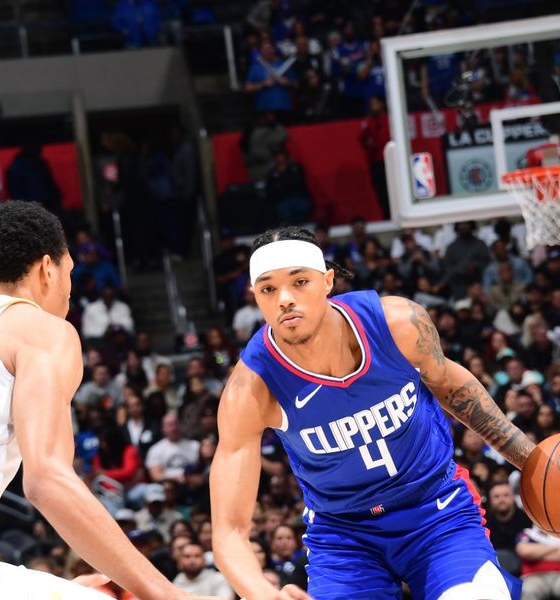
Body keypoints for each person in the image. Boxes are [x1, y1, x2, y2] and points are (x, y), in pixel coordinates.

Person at [0, 201, 216, 599]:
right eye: (70, 273)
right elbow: (46, 480)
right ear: (46, 269)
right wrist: (165, 593)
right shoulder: (39, 328)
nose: (69, 289)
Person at [211, 225, 536, 599]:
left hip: (434, 510)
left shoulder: (398, 324)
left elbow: (449, 384)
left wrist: (530, 459)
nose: (284, 298)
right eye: (268, 289)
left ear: (327, 281)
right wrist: (264, 596)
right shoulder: (251, 388)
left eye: (299, 281)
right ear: (255, 297)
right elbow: (229, 530)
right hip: (343, 536)